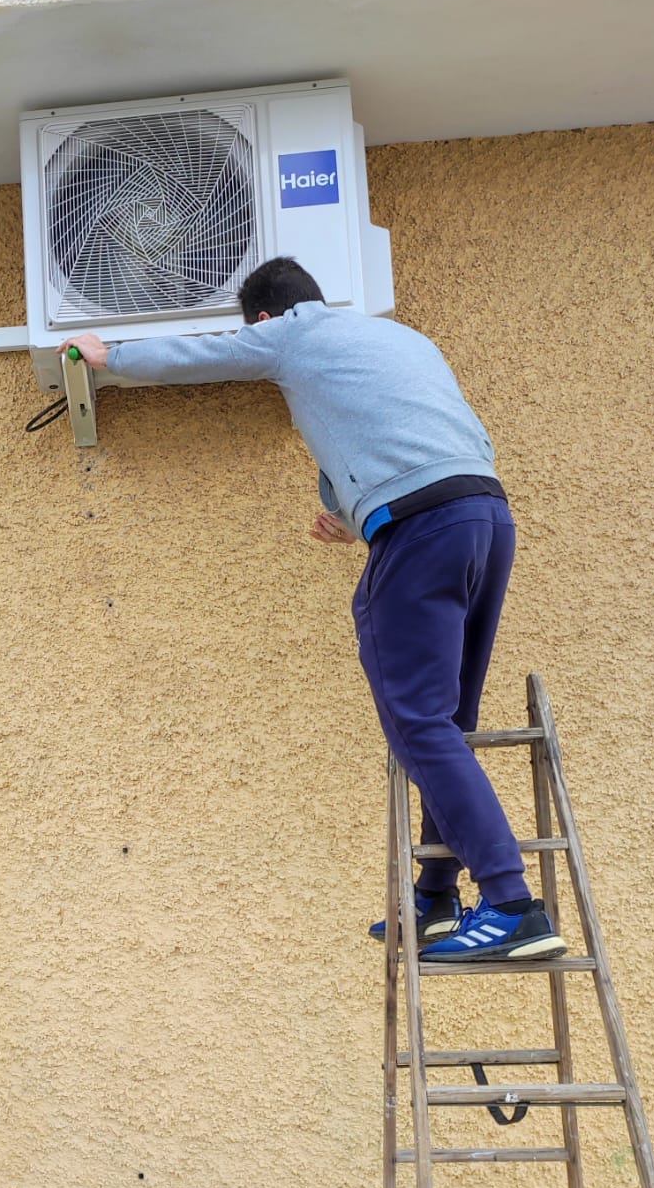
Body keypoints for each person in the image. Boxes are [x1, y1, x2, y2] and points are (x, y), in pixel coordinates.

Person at [63, 256, 565, 962]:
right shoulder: (404, 342)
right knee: (448, 719)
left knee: (418, 721)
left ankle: (513, 904)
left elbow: (210, 355)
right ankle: (436, 895)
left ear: (267, 318)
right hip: (485, 517)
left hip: (421, 531)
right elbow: (394, 443)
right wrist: (348, 512)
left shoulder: (293, 332)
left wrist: (109, 355)